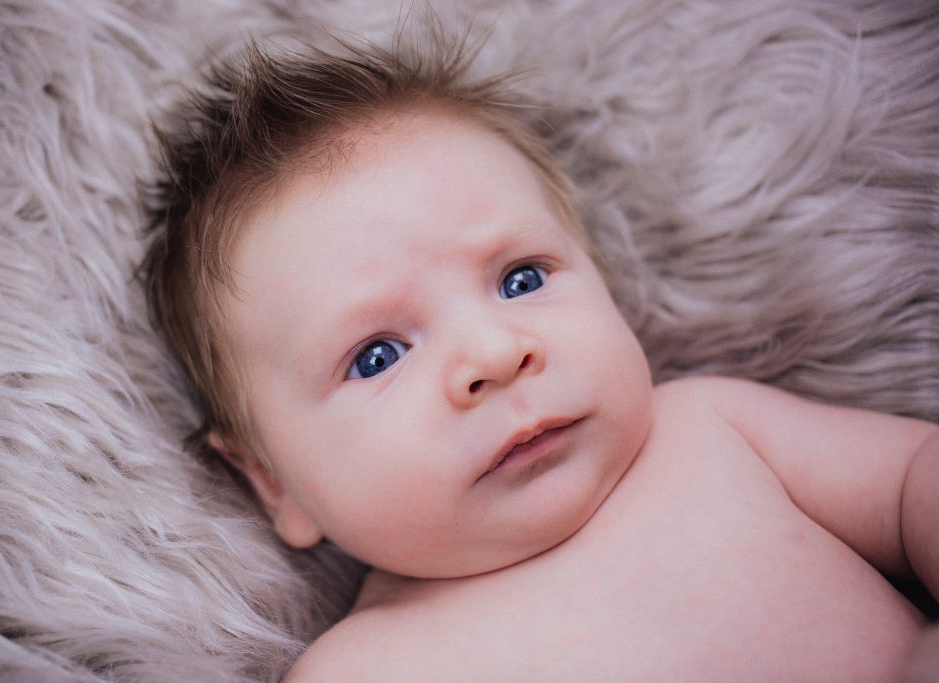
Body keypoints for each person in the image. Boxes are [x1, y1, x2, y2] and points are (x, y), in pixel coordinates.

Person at [140, 26, 938, 681]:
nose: (495, 352)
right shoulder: (367, 667)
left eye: (521, 279)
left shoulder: (716, 427)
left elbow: (913, 478)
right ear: (274, 480)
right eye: (378, 355)